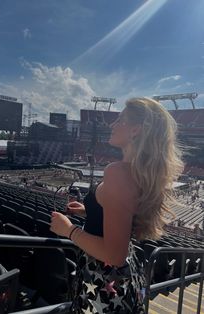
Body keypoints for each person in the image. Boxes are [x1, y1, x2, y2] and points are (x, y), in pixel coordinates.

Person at [50, 97, 184, 313]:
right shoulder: (136, 173)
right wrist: (89, 211)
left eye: (120, 120)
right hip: (119, 280)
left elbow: (114, 255)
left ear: (135, 130)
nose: (112, 125)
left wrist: (68, 230)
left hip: (103, 281)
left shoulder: (118, 173)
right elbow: (121, 216)